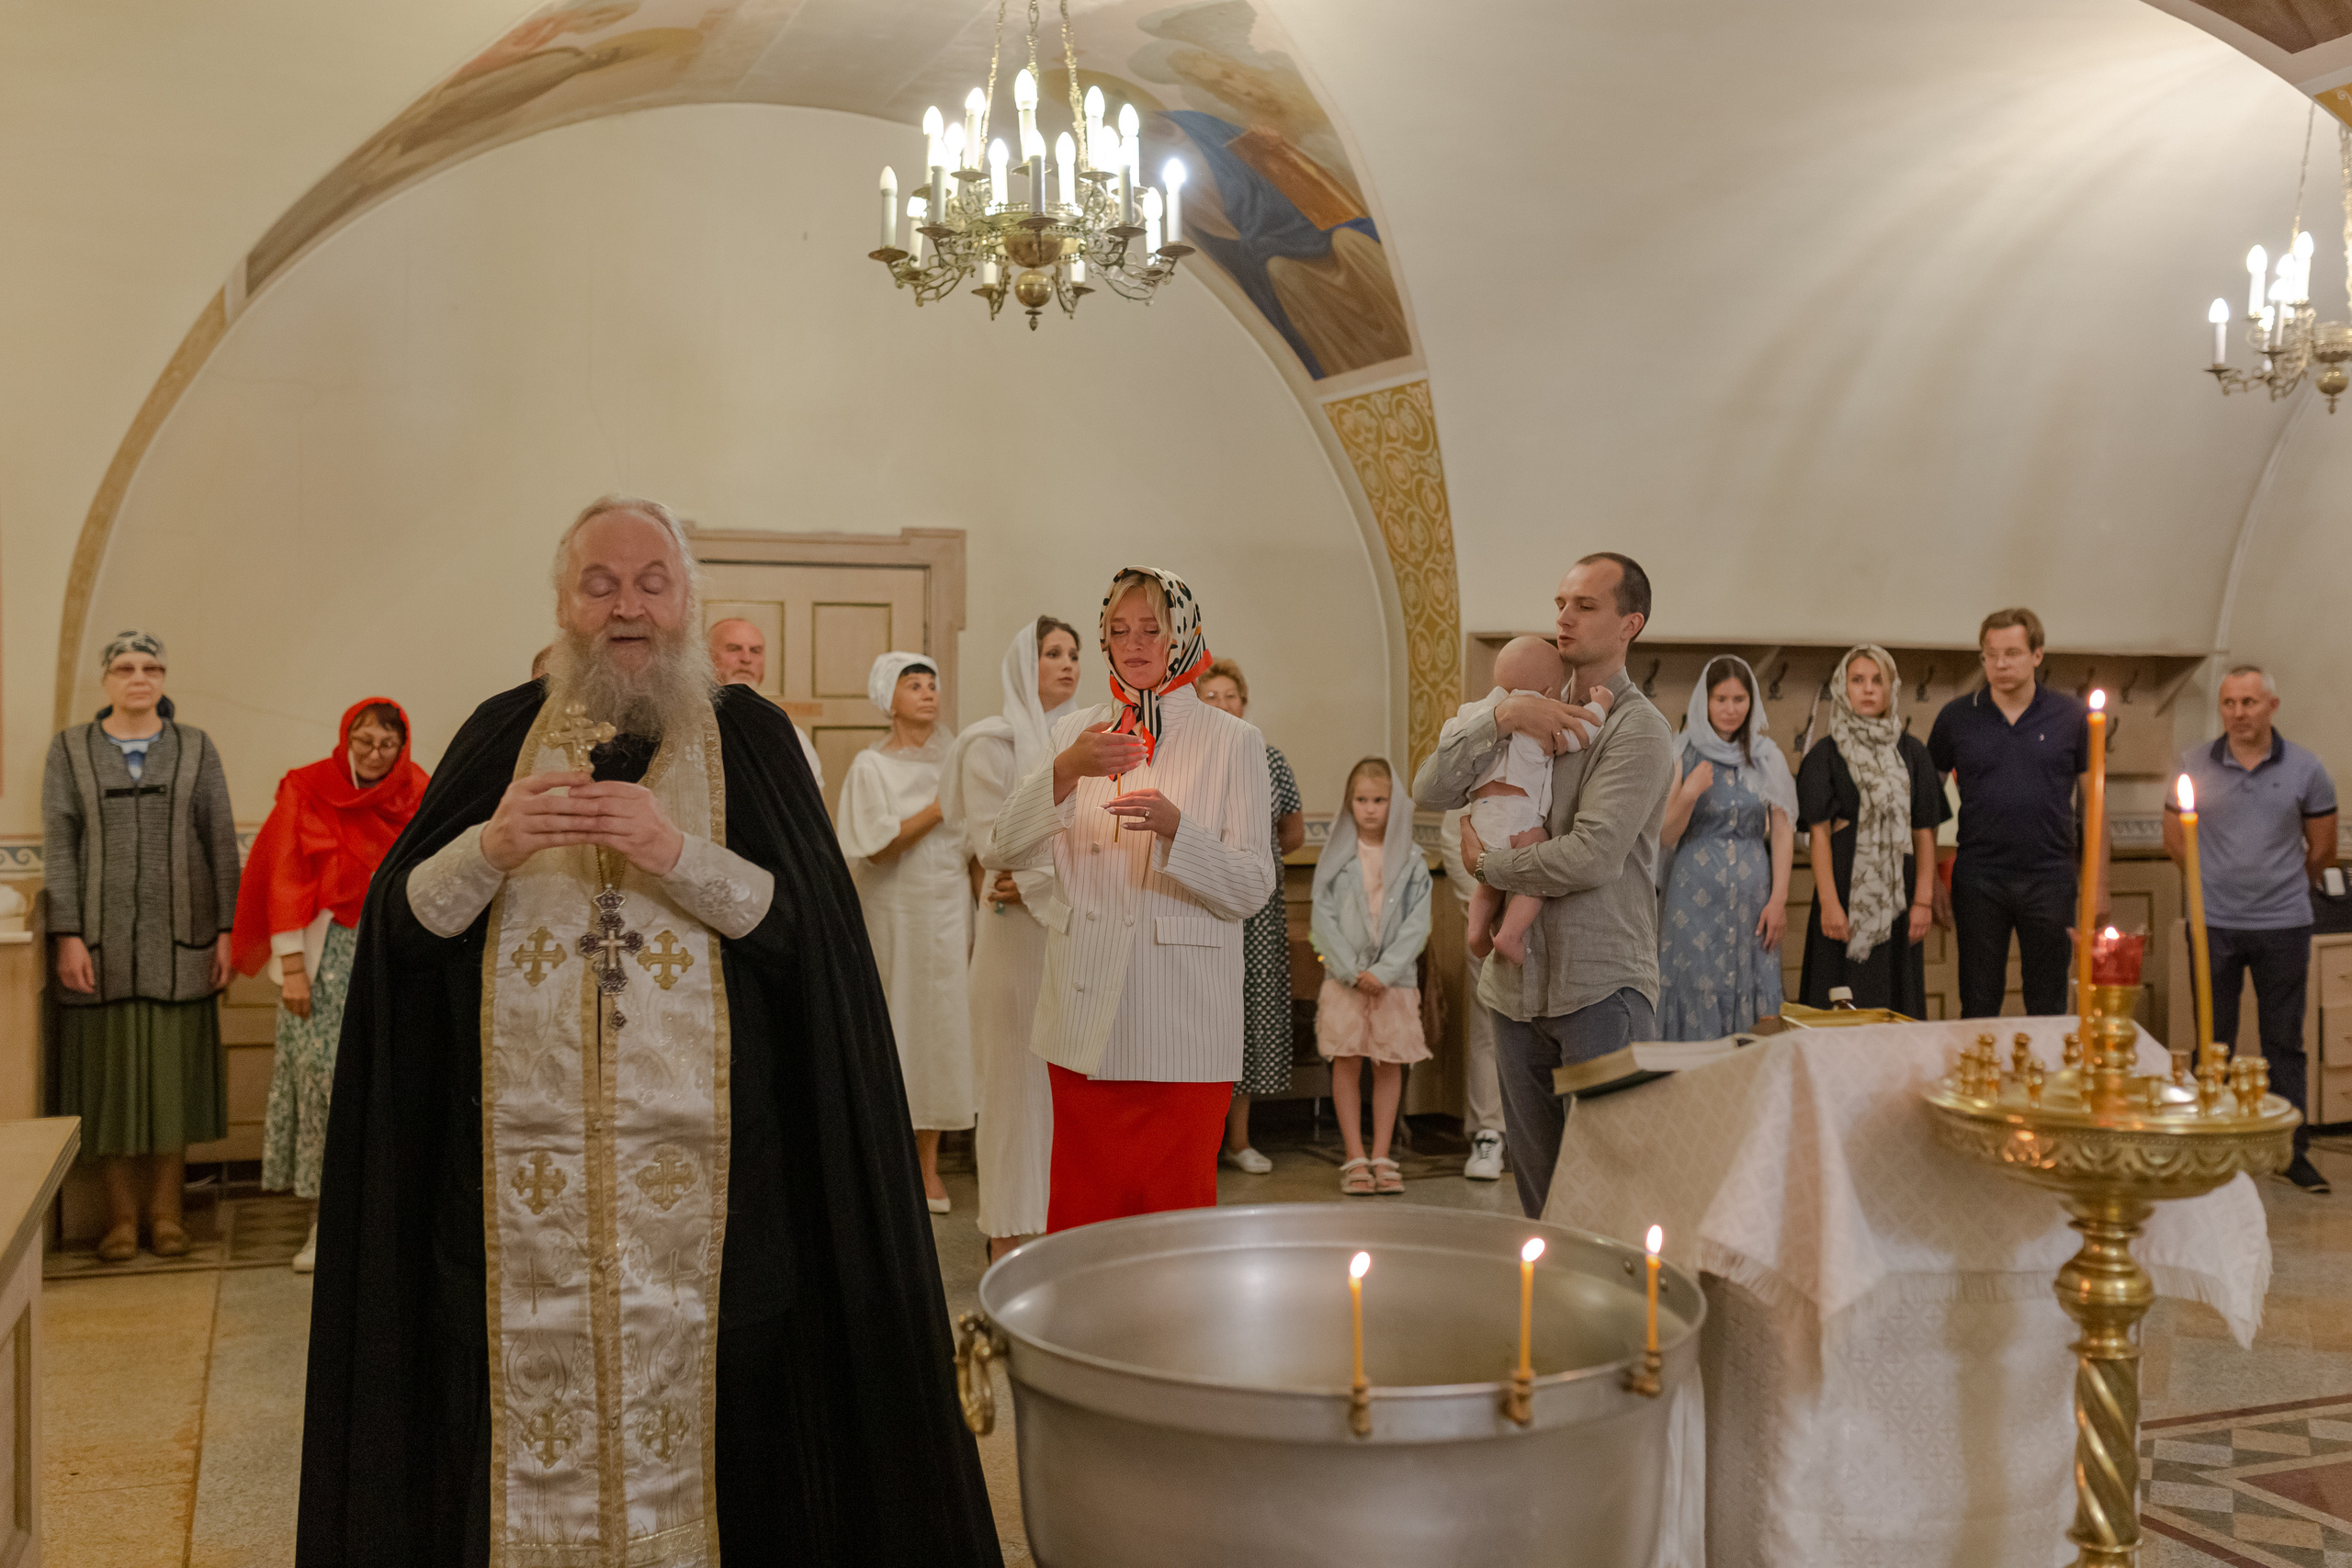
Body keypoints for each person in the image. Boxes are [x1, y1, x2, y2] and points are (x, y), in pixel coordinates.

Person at [296, 497, 1000, 1564]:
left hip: (722, 1218)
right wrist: (487, 846)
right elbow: (399, 939)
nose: (627, 605)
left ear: (687, 598)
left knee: (735, 1444)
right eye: (600, 583)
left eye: (651, 581)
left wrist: (681, 856)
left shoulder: (754, 741)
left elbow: (813, 944)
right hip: (509, 1222)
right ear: (565, 604)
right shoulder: (496, 735)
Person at [987, 566, 1274, 1231]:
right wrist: (1066, 771)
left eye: (1152, 629)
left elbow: (1253, 886)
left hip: (1183, 1019)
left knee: (1173, 1218)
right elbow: (1005, 846)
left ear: (1184, 637)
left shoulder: (1234, 740)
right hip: (1085, 1013)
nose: (1134, 644)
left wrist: (1179, 831)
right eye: (1118, 630)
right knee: (1084, 1210)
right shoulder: (1076, 734)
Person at [1414, 553, 1675, 1219]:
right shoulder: (1514, 707)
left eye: (1586, 605)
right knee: (1543, 1199)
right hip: (1514, 994)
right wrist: (1499, 720)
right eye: (1561, 601)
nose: (1564, 615)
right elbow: (1429, 790)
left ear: (1630, 623)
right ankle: (1552, 1322)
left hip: (1599, 986)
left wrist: (1490, 868)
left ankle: (1618, 1329)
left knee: (1607, 1197)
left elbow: (1591, 856)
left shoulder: (1637, 728)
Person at [43, 630, 240, 1264]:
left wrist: (226, 931)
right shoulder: (70, 750)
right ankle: (121, 1221)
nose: (139, 676)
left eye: (151, 666)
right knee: (108, 1091)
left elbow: (219, 842)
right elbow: (60, 846)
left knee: (172, 1091)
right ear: (106, 679)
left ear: (162, 676)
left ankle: (167, 1215)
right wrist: (69, 934)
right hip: (98, 956)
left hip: (182, 950)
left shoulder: (194, 747)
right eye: (125, 666)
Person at [230, 698, 428, 1273]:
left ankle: (385, 1227)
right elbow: (285, 873)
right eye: (362, 741)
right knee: (324, 1088)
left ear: (402, 747)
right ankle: (326, 1227)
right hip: (323, 960)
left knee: (388, 1085)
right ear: (345, 738)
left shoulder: (418, 792)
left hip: (393, 956)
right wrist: (291, 968)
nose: (373, 754)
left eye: (386, 745)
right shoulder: (307, 788)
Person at [2165, 665, 2337, 1194]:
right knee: (2211, 1041)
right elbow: (2175, 840)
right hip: (2212, 922)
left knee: (2283, 1040)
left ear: (2272, 706)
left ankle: (2291, 1152)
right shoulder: (2194, 763)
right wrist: (2211, 887)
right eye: (2229, 704)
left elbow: (2323, 848)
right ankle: (2209, 1146)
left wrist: (2277, 887)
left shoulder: (2307, 769)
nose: (2238, 713)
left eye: (2249, 703)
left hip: (2283, 924)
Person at [941, 616, 1081, 1260]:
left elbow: (1093, 842)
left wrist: (1032, 876)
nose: (1067, 663)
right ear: (1023, 664)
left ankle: (1054, 1231)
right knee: (1009, 1093)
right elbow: (990, 841)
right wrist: (1030, 873)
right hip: (1012, 943)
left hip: (1068, 932)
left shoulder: (1085, 740)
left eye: (1076, 654)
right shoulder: (988, 744)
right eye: (1053, 652)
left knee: (1063, 1096)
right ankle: (1004, 1235)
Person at [838, 651, 970, 1213]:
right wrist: (940, 807)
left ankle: (929, 1166)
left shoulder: (960, 760)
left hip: (949, 911)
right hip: (894, 913)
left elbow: (978, 841)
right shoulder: (871, 767)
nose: (927, 693)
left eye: (932, 684)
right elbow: (879, 843)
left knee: (941, 1031)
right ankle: (884, 1166)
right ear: (888, 700)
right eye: (913, 685)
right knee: (897, 1026)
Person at [1928, 607, 2103, 1017]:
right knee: (1978, 999)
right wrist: (1931, 877)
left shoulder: (2072, 716)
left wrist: (2101, 882)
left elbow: (2094, 803)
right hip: (1978, 878)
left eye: (2012, 653)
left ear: (2037, 655)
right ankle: (1978, 1079)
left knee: (2047, 1000)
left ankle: (2044, 1081)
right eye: (1991, 655)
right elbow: (1925, 805)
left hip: (2050, 877)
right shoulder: (1956, 717)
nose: (2001, 664)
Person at [1196, 658, 1304, 1175]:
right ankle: (1199, 1143)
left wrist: (1254, 863)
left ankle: (1239, 1140)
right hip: (1202, 905)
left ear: (1245, 702)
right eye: (1210, 697)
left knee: (1250, 1018)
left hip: (1259, 913)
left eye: (1230, 696)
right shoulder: (1189, 758)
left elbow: (1293, 833)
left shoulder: (1271, 759)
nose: (1222, 705)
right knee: (1204, 1018)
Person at [1795, 647, 1947, 1015]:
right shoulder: (1825, 754)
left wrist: (1923, 901)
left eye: (1877, 680)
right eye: (1857, 680)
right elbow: (1819, 835)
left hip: (1899, 896)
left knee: (1895, 997)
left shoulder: (1912, 752)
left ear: (1891, 688)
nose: (1868, 689)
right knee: (1838, 995)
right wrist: (1829, 903)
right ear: (1842, 688)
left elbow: (1924, 832)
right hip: (1844, 892)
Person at [1311, 758, 1432, 1196]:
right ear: (1349, 803)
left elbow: (1418, 923)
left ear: (1394, 804)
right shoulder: (1338, 860)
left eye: (1379, 800)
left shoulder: (1413, 861)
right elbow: (1322, 918)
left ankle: (1382, 1152)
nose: (1369, 809)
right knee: (1347, 1059)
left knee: (1389, 1062)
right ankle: (1353, 1154)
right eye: (1361, 800)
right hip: (1345, 980)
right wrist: (1348, 969)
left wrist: (1384, 971)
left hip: (1394, 981)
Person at [1657, 656, 1795, 1038]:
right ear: (1704, 701)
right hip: (1692, 899)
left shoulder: (1767, 757)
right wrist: (1687, 794)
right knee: (1694, 984)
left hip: (1754, 900)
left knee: (1755, 984)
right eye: (1721, 699)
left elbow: (1782, 831)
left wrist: (1779, 900)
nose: (1731, 709)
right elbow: (1665, 836)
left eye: (1739, 699)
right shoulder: (1680, 752)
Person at [1460, 637, 1611, 965]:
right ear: (1547, 693)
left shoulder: (1480, 714)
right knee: (1538, 870)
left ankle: (1475, 931)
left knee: (1487, 885)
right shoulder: (1542, 720)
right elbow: (1581, 733)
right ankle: (1510, 935)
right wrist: (1601, 706)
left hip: (1481, 817)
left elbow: (1452, 742)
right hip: (1519, 816)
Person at [1436, 807, 1509, 1180]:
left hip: (1550, 909)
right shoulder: (1482, 750)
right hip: (1488, 914)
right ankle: (1488, 1131)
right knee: (1487, 1025)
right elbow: (1453, 835)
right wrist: (1481, 908)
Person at [707, 615, 823, 787]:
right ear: (707, 657)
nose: (746, 659)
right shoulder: (687, 730)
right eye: (734, 649)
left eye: (755, 651)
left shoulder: (792, 736)